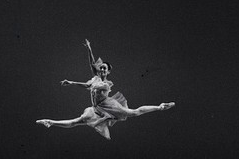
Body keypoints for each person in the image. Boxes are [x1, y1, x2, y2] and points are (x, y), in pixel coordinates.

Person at [36, 39, 175, 140]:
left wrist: (73, 82)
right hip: (96, 108)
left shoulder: (105, 84)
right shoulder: (95, 77)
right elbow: (91, 64)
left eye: (104, 68)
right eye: (101, 67)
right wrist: (89, 49)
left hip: (109, 106)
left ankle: (160, 107)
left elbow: (88, 85)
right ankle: (50, 122)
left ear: (107, 72)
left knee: (134, 112)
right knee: (76, 121)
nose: (101, 68)